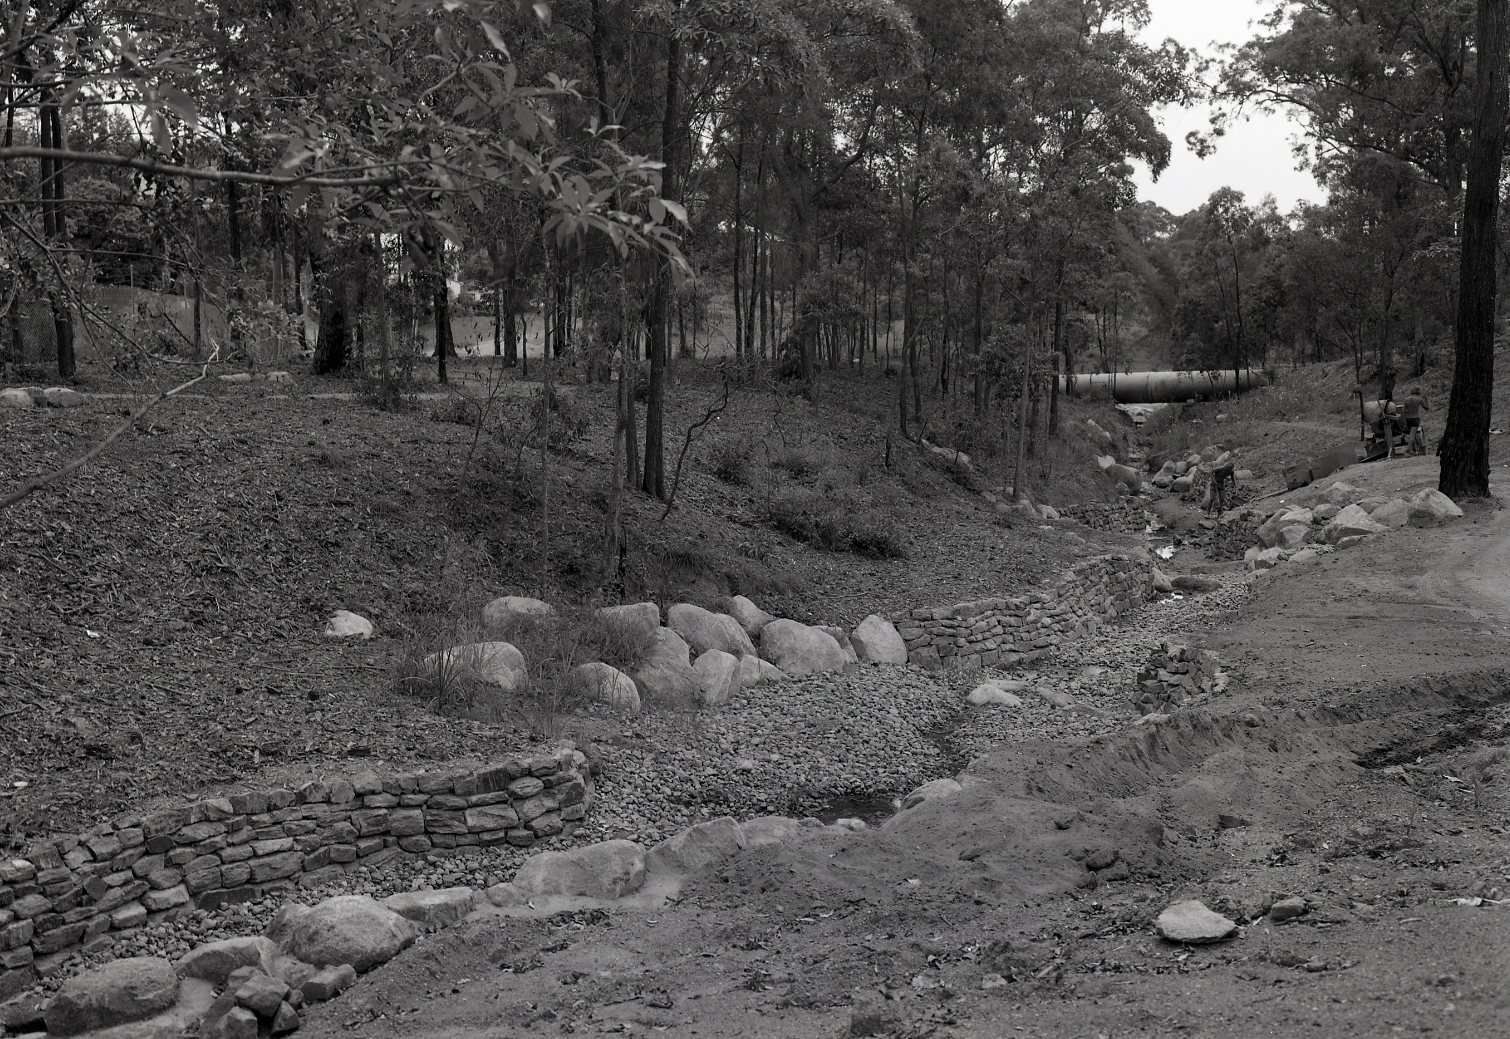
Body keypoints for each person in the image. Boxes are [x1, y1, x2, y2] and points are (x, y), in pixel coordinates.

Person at [1401, 387, 1429, 455]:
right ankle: (1407, 450)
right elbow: (1427, 408)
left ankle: (1411, 450)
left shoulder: (1406, 399)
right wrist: (1426, 400)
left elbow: (1403, 411)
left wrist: (1409, 411)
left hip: (1408, 419)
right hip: (1415, 419)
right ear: (1418, 392)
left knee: (1410, 434)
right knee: (1412, 435)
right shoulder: (1419, 400)